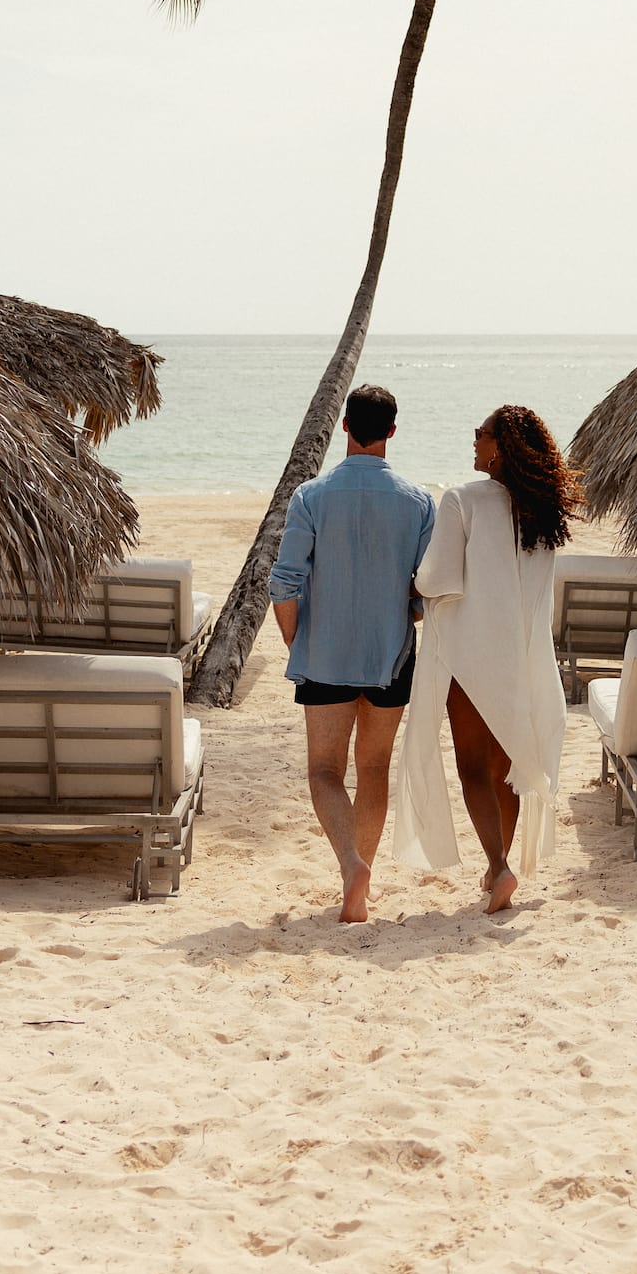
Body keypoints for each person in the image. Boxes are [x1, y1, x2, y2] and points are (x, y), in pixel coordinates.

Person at [393, 405, 582, 913]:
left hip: (473, 655)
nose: (473, 442)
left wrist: (409, 582)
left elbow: (437, 579)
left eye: (480, 434)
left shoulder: (464, 500)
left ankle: (499, 867)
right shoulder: (544, 512)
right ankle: (496, 865)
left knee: (473, 767)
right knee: (508, 767)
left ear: (500, 446)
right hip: (525, 656)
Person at [268, 384, 435, 924]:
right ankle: (362, 875)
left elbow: (284, 582)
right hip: (391, 657)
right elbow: (425, 591)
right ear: (391, 430)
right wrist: (403, 608)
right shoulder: (418, 501)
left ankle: (349, 866)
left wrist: (298, 642)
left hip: (326, 657)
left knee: (323, 770)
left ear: (344, 426)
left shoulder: (310, 496)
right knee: (374, 767)